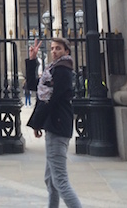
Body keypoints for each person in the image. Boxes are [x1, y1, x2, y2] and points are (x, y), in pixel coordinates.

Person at [26, 39, 82, 208]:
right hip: (56, 125)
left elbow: (51, 99)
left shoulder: (62, 70)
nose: (54, 51)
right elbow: (32, 85)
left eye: (58, 48)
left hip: (57, 126)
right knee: (51, 181)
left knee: (60, 181)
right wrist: (32, 60)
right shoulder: (53, 70)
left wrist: (37, 122)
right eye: (52, 48)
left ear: (67, 51)